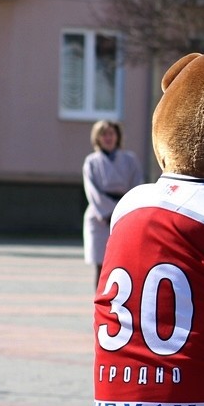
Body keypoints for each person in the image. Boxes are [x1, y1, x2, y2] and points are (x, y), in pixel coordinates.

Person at [82, 120, 143, 287]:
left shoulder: (130, 160)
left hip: (125, 215)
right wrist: (109, 213)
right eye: (104, 134)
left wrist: (124, 211)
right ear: (97, 138)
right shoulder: (91, 161)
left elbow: (137, 186)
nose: (108, 137)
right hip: (100, 217)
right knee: (101, 265)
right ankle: (99, 300)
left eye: (111, 133)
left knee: (124, 263)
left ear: (117, 136)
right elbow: (92, 191)